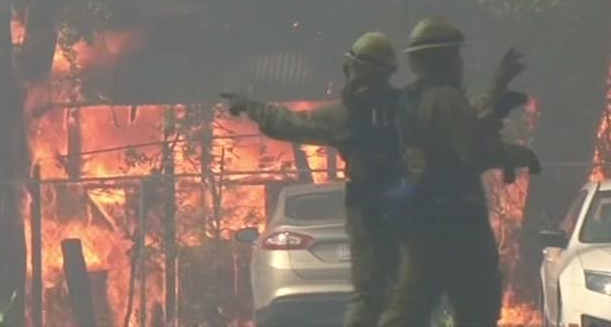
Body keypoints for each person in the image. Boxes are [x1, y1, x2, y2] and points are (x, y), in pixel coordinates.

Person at [222, 31, 538, 327]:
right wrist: (498, 95)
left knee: (373, 296)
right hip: (416, 215)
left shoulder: (350, 114)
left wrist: (251, 107)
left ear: (354, 69)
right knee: (411, 296)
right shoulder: (409, 105)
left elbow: (290, 124)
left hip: (370, 215)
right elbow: (464, 129)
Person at [378, 17, 516, 327]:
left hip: (421, 218)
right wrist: (513, 152)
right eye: (455, 54)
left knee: (410, 305)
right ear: (443, 59)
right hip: (459, 220)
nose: (460, 62)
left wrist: (497, 90)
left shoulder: (411, 97)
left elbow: (462, 122)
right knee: (477, 304)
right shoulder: (446, 96)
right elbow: (472, 150)